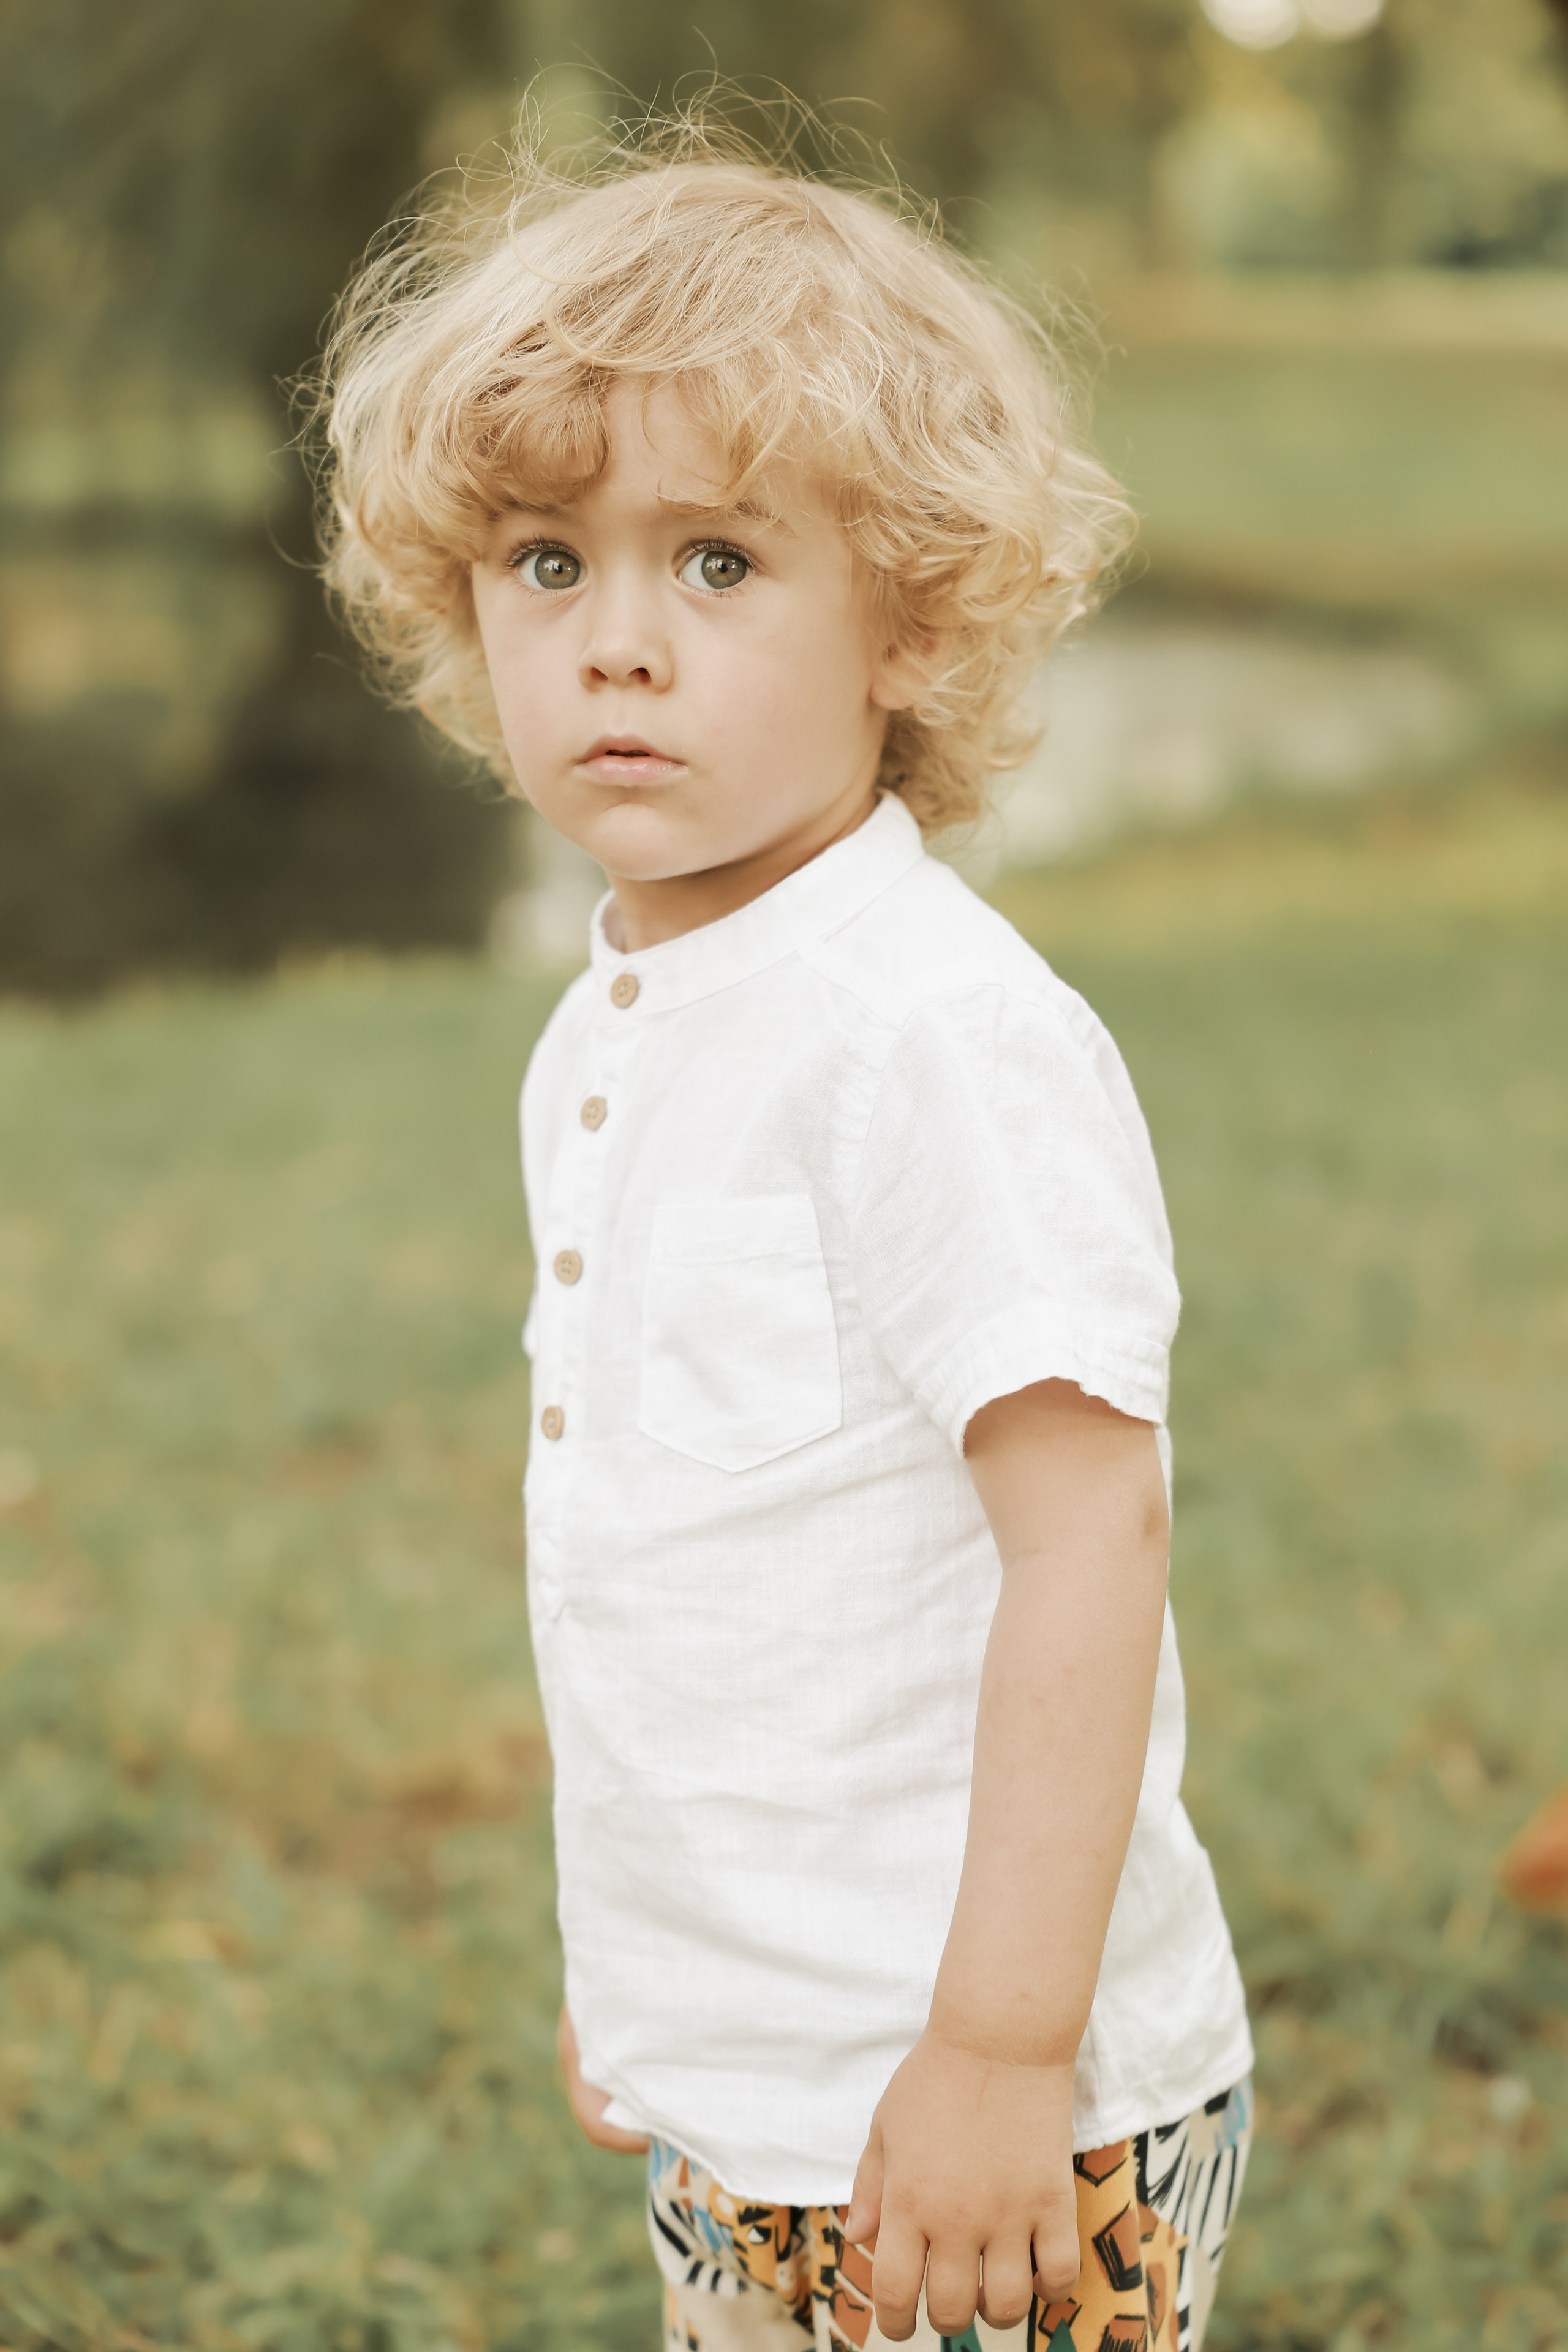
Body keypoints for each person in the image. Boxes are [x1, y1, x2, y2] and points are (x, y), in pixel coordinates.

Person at [314, 124, 1254, 2352]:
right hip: (754, 2083)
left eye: (716, 564)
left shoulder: (927, 1036)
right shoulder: (616, 1028)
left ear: (908, 618)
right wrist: (666, 1976)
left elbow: (1087, 1537)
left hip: (999, 2116)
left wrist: (1009, 2054)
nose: (617, 643)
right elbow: (686, 1576)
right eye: (548, 564)